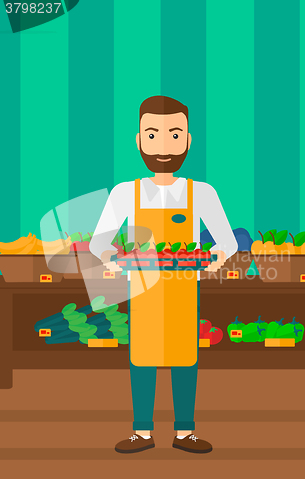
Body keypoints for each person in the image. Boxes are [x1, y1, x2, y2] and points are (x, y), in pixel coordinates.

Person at [90, 96, 238, 454]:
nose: (163, 147)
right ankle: (142, 431)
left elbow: (227, 243)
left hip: (185, 287)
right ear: (139, 141)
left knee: (185, 355)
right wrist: (113, 257)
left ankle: (185, 431)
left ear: (188, 141)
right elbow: (99, 242)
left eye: (174, 135)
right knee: (142, 355)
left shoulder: (201, 193)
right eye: (152, 135)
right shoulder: (127, 193)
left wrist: (213, 258)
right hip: (142, 287)